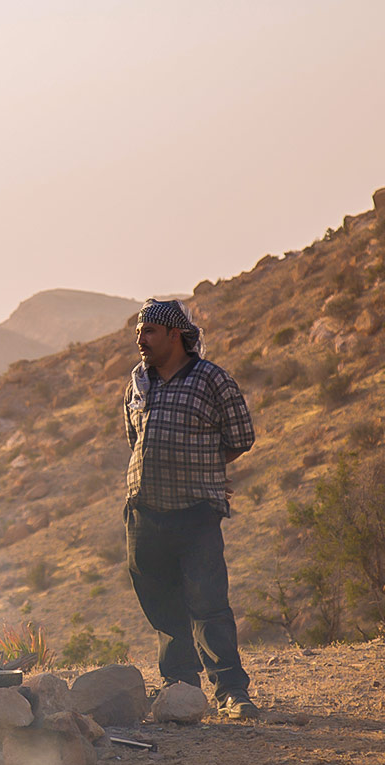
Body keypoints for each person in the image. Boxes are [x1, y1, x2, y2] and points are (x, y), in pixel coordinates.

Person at [123, 298, 259, 719]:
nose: (140, 340)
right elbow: (133, 436)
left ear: (175, 335)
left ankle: (231, 692)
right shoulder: (138, 382)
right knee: (162, 603)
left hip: (196, 511)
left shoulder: (211, 380)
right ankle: (180, 687)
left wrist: (204, 468)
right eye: (139, 332)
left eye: (149, 332)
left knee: (208, 603)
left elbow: (241, 436)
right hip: (144, 511)